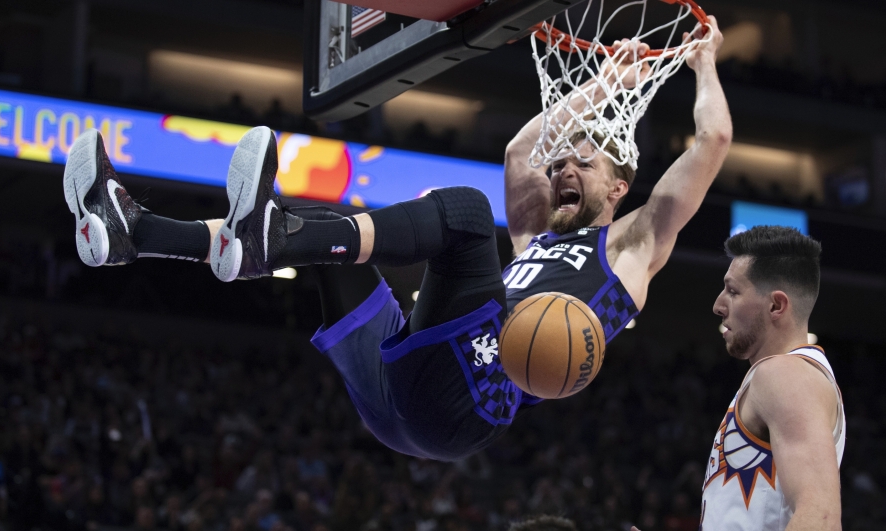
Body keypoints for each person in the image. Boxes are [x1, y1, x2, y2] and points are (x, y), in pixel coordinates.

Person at [62, 18, 730, 461]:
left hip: (467, 399)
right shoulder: (533, 236)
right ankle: (136, 232)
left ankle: (267, 236)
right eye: (565, 161)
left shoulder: (633, 246)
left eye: (583, 161)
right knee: (316, 232)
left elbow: (714, 141)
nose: (563, 166)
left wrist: (704, 65)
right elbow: (523, 145)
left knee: (467, 212)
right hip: (403, 395)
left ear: (620, 187)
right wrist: (605, 86)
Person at [633, 226, 844, 531]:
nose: (718, 305)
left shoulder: (786, 375)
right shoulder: (781, 376)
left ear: (776, 305)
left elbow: (821, 520)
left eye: (733, 291)